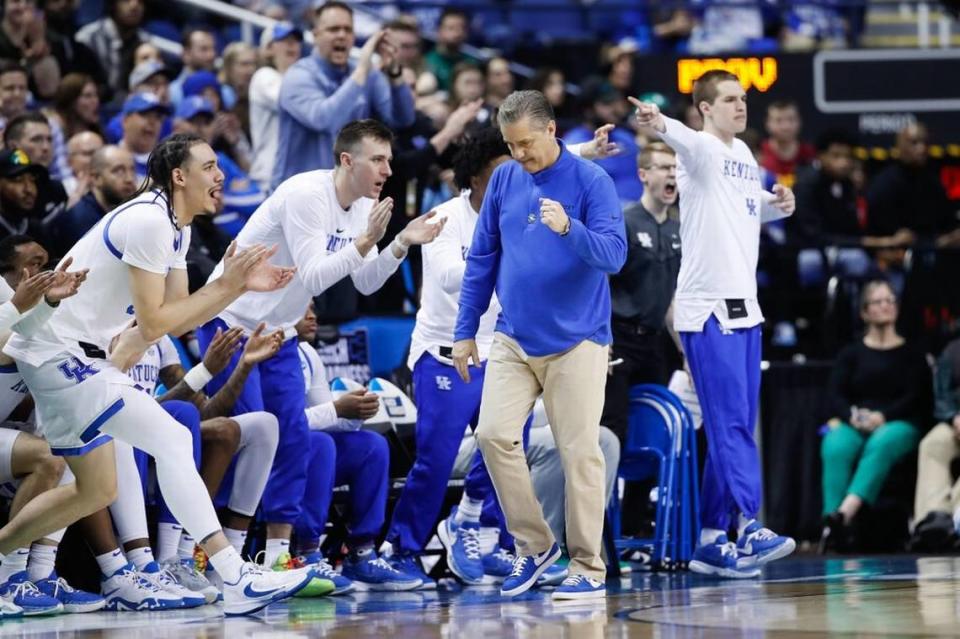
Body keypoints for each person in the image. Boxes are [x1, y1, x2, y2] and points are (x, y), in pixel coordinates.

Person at [0, 132, 316, 616]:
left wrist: (234, 290)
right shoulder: (147, 220)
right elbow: (153, 322)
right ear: (179, 176)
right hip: (56, 349)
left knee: (95, 490)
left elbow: (180, 316)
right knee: (170, 437)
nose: (221, 175)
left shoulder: (176, 228)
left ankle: (3, 567)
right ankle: (233, 574)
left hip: (74, 353)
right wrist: (229, 284)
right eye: (210, 166)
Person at [195, 120, 442, 586]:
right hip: (230, 323)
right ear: (347, 161)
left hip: (280, 332)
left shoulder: (364, 205)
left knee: (291, 439)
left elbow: (365, 281)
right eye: (378, 159)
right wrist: (367, 242)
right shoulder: (306, 194)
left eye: (389, 159)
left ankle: (280, 558)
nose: (387, 169)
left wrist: (401, 243)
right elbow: (313, 275)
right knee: (243, 437)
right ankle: (214, 557)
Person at [453, 90, 626, 600]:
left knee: (579, 454)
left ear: (551, 130)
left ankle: (588, 567)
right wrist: (465, 330)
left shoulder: (592, 181)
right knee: (492, 435)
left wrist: (569, 228)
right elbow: (482, 258)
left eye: (526, 143)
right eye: (511, 144)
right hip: (513, 336)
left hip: (578, 340)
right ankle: (535, 544)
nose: (519, 154)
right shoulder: (506, 177)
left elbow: (614, 256)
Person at [631, 68, 797, 578]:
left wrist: (777, 205)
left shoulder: (744, 156)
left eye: (743, 98)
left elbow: (743, 211)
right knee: (728, 424)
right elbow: (677, 136)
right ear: (705, 108)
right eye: (729, 99)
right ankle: (748, 523)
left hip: (747, 308)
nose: (740, 106)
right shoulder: (698, 148)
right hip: (707, 311)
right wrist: (658, 121)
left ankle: (708, 538)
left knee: (738, 425)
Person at [386, 125, 512, 588]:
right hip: (443, 354)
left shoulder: (516, 214)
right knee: (436, 460)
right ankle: (402, 549)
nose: (512, 181)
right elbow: (448, 278)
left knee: (505, 445)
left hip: (499, 351)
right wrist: (504, 260)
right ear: (475, 177)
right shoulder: (444, 218)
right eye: (502, 172)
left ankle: (478, 525)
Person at [293, 303, 418, 591]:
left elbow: (325, 414)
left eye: (314, 308)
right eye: (303, 310)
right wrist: (338, 410)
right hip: (271, 456)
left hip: (308, 452)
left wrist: (355, 414)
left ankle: (362, 552)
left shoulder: (308, 354)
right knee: (320, 443)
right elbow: (282, 423)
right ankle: (306, 553)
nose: (313, 315)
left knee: (371, 445)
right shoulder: (264, 351)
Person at [820, 280, 931, 552]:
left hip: (899, 423)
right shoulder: (851, 353)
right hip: (857, 422)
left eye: (890, 300)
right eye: (878, 302)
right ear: (864, 312)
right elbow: (836, 395)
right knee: (835, 444)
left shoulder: (912, 353)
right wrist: (852, 417)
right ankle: (832, 527)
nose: (886, 306)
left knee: (882, 441)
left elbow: (917, 397)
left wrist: (884, 416)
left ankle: (844, 514)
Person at [272, 1, 415, 186]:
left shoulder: (365, 75)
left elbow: (403, 119)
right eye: (333, 29)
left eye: (348, 30)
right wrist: (363, 67)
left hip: (345, 194)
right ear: (316, 35)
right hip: (296, 195)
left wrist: (395, 73)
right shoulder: (298, 76)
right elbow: (325, 120)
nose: (341, 35)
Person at [912, 335, 960, 551]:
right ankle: (935, 518)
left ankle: (957, 516)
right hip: (957, 422)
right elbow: (942, 394)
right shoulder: (953, 350)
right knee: (933, 444)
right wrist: (954, 417)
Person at [249, 23, 303, 192]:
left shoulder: (302, 80)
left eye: (295, 40)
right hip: (269, 178)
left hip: (294, 176)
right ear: (268, 49)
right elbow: (293, 103)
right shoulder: (263, 76)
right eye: (283, 40)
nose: (291, 44)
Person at [59, 145, 137, 253]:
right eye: (119, 171)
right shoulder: (81, 218)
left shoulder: (126, 211)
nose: (129, 179)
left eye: (132, 170)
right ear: (96, 178)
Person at [759, 100, 816, 188]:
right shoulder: (759, 153)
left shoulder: (811, 154)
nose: (786, 126)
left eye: (791, 120)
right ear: (768, 124)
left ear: (799, 122)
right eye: (778, 121)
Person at [424, 8, 474, 92]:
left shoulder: (471, 63)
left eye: (461, 28)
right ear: (439, 31)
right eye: (451, 28)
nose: (457, 33)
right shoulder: (427, 61)